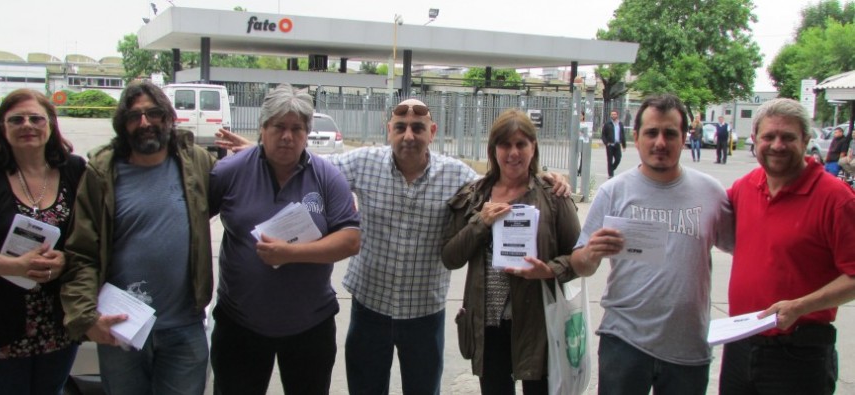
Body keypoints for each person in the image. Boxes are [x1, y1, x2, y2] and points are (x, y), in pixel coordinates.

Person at [214, 99, 570, 394]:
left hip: (425, 314)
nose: (409, 134)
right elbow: (308, 163)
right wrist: (260, 147)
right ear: (389, 131)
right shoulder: (361, 163)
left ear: (432, 132)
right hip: (371, 310)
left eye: (418, 127)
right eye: (400, 126)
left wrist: (548, 178)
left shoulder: (458, 176)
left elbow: (503, 179)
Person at [569, 94, 734, 395]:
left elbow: (745, 248)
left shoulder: (711, 193)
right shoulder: (613, 193)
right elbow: (579, 263)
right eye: (651, 132)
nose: (660, 142)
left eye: (670, 133)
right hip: (624, 342)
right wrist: (591, 252)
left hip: (688, 347)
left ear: (684, 138)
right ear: (636, 137)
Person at [61, 81, 216, 395]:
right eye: (134, 116)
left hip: (184, 327)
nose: (145, 122)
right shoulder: (102, 173)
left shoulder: (196, 163)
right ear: (123, 124)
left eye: (153, 113)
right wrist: (86, 318)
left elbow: (240, 188)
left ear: (167, 117)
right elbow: (81, 253)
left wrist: (256, 156)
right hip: (121, 329)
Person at [207, 83, 361, 394]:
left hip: (310, 327)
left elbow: (350, 239)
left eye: (297, 128)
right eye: (278, 127)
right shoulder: (229, 172)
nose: (287, 136)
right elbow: (193, 225)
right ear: (262, 128)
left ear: (307, 133)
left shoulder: (327, 177)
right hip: (239, 325)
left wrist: (291, 253)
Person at [720, 98, 855, 395]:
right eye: (769, 136)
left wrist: (800, 306)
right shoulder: (746, 187)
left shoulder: (836, 198)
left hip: (799, 353)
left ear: (806, 140)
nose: (777, 145)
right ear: (755, 140)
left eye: (788, 137)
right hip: (741, 346)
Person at [441, 109, 580, 394]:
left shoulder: (553, 196)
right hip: (488, 323)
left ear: (534, 147)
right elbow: (451, 257)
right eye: (505, 145)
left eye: (521, 144)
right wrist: (481, 221)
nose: (513, 153)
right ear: (493, 150)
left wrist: (549, 270)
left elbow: (580, 257)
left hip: (538, 323)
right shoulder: (475, 195)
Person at [0, 89, 85, 394]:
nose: (27, 125)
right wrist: (14, 266)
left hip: (57, 322)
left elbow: (90, 235)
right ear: (2, 128)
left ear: (51, 125)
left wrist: (66, 260)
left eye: (36, 118)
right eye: (16, 119)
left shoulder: (74, 170)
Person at [600, 109, 626, 178]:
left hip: (617, 144)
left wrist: (624, 145)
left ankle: (611, 169)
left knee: (618, 158)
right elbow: (603, 135)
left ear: (617, 115)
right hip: (610, 145)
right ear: (611, 115)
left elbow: (622, 134)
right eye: (612, 114)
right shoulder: (607, 124)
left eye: (615, 114)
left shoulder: (620, 124)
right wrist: (606, 143)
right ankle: (610, 174)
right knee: (610, 160)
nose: (613, 115)